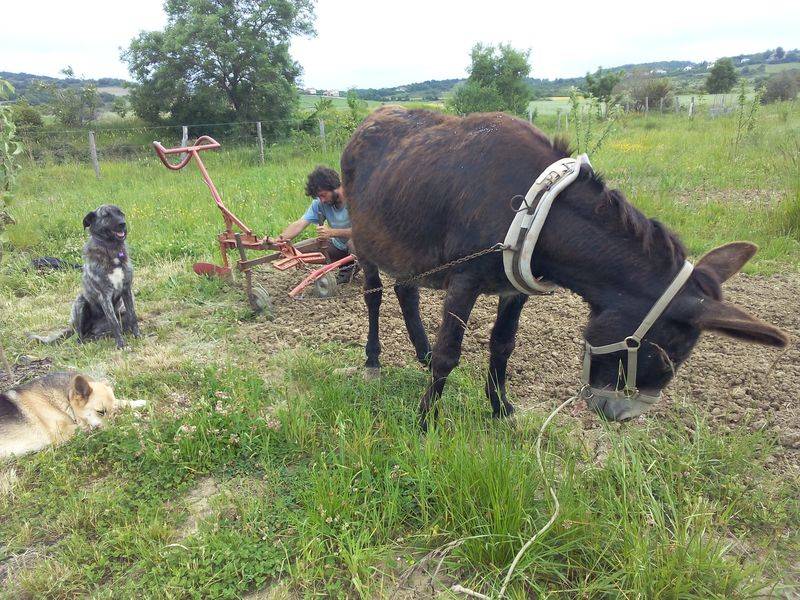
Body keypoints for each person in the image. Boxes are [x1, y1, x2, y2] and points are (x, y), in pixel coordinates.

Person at [275, 166, 355, 283]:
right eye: (319, 197)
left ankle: (353, 267)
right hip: (339, 245)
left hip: (361, 244)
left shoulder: (356, 198)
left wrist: (332, 232)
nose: (321, 200)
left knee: (354, 242)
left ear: (335, 187)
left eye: (323, 195)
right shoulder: (320, 204)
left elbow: (365, 231)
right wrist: (280, 240)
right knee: (295, 252)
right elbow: (300, 223)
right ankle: (346, 263)